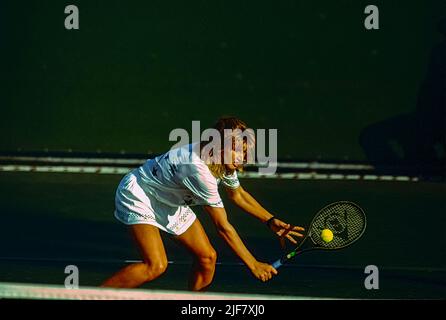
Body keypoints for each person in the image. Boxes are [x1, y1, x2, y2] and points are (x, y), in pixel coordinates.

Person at [101, 117, 304, 291]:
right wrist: (253, 264)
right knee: (155, 265)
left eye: (244, 152)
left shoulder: (221, 159)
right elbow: (223, 228)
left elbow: (238, 195)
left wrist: (270, 220)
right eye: (238, 151)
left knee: (207, 258)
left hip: (169, 200)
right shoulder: (198, 170)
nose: (243, 158)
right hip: (140, 194)